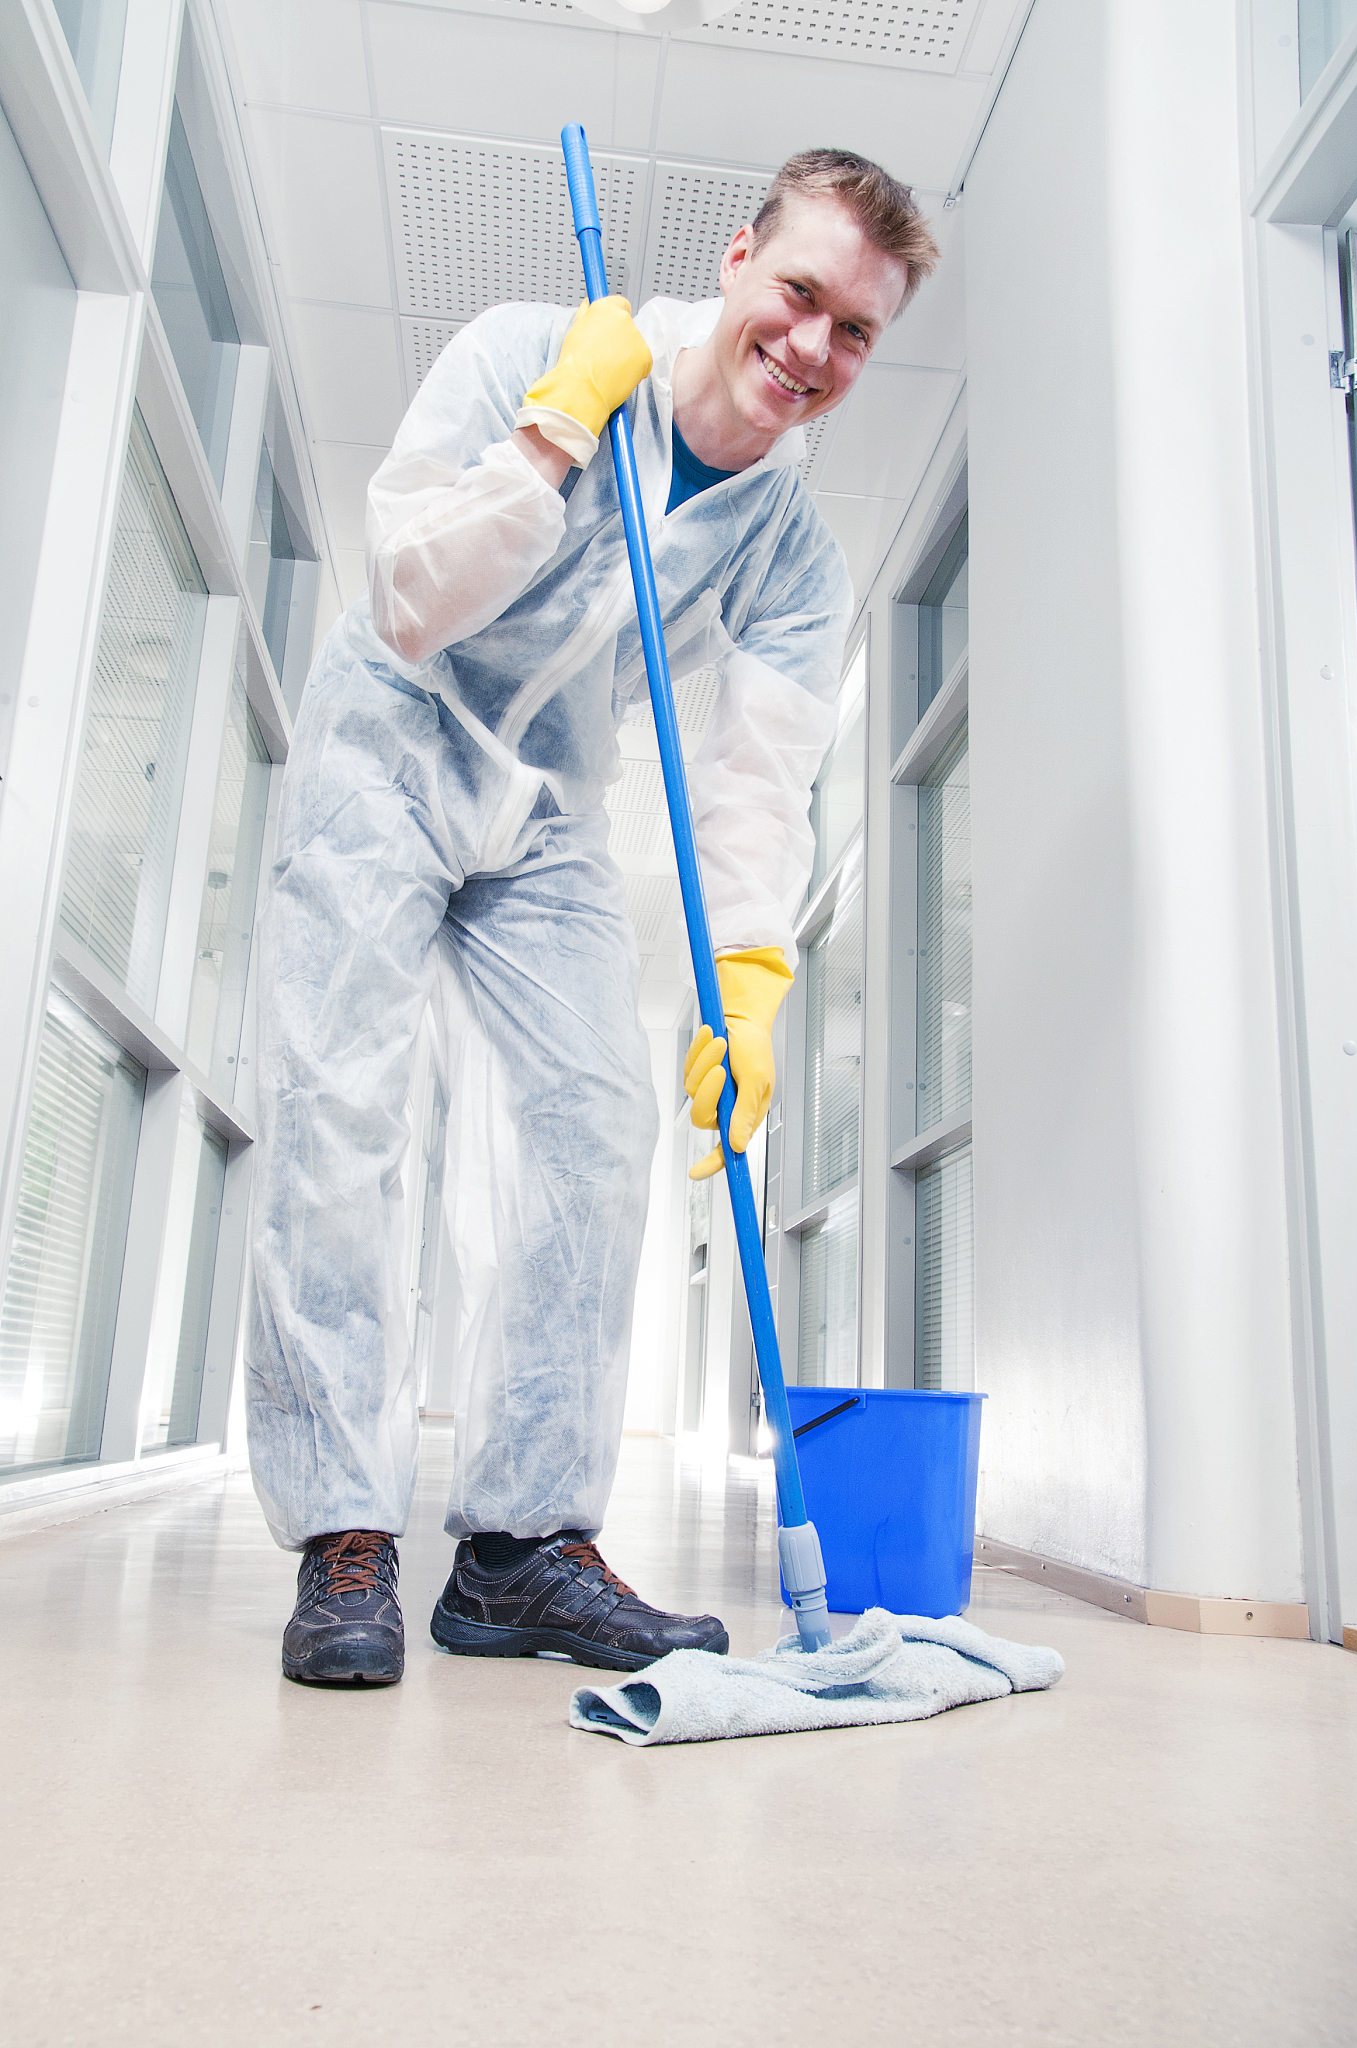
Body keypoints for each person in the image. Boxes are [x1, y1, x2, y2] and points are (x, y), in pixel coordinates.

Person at [247, 148, 939, 1686]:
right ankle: (341, 1532)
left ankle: (518, 1550)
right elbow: (409, 599)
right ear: (741, 251)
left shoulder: (792, 558)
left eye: (855, 332)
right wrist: (557, 428)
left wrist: (750, 979)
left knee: (591, 1123)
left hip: (549, 802)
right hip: (389, 739)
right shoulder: (526, 351)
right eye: (798, 294)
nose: (812, 349)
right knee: (344, 1116)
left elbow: (760, 786)